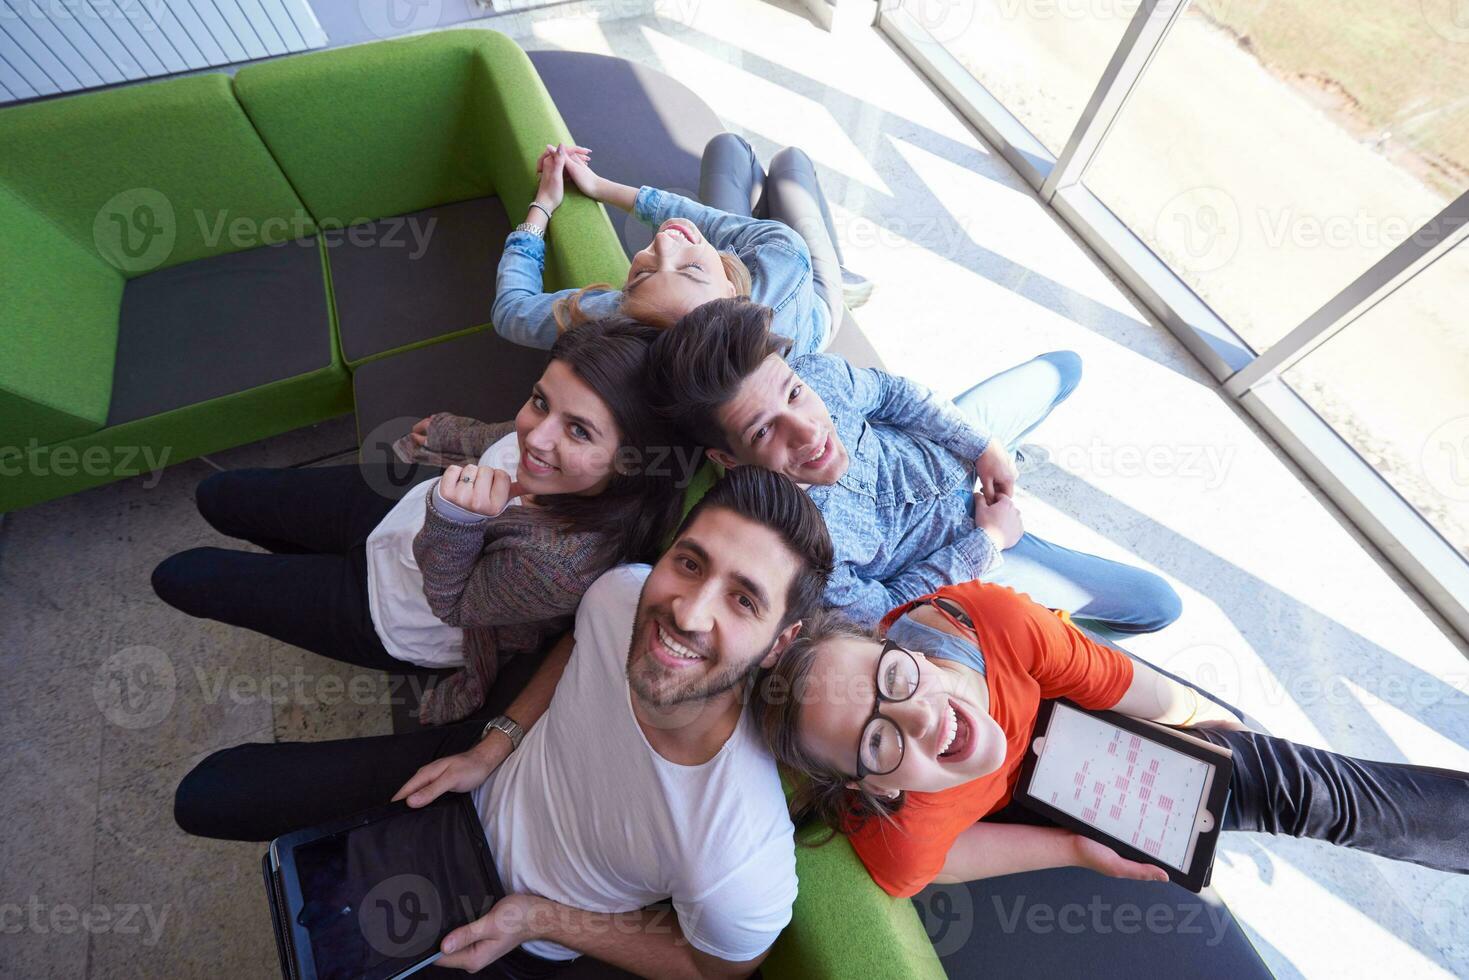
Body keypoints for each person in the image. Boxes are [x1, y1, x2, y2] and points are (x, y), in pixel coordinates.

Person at [174, 467, 835, 978]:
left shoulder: (739, 853)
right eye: (689, 563)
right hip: (462, 797)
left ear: (779, 643)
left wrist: (542, 920)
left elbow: (718, 966)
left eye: (743, 600)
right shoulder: (619, 596)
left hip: (523, 932)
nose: (689, 612)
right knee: (211, 799)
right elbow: (579, 643)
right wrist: (497, 742)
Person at [753, 579, 1469, 898]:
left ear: (894, 647)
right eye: (878, 741)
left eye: (897, 682)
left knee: (1287, 785)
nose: (920, 718)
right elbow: (943, 860)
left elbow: (1141, 691)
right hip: (1040, 788)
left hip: (1059, 688)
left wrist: (1207, 722)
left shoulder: (997, 623)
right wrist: (1067, 849)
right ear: (872, 785)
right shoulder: (898, 833)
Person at [152, 318, 688, 723]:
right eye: (541, 402)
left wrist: (457, 521)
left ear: (629, 461)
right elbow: (505, 435)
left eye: (580, 432)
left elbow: (451, 603)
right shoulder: (543, 443)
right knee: (220, 493)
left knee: (186, 577)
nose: (539, 437)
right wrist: (451, 434)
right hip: (395, 511)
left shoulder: (559, 565)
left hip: (390, 609)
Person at [645, 298, 1182, 632]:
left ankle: (1009, 453)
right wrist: (987, 542)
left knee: (1065, 367)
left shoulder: (816, 374)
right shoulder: (792, 550)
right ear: (727, 459)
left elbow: (895, 396)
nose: (809, 432)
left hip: (949, 454)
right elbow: (887, 613)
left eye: (795, 395)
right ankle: (1060, 621)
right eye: (764, 431)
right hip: (963, 544)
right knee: (1158, 605)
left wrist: (980, 444)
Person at [492, 134, 865, 358]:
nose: (662, 242)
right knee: (790, 162)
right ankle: (840, 274)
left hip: (741, 254)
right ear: (732, 291)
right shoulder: (786, 260)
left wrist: (556, 199)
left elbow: (511, 312)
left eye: (642, 272)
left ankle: (749, 225)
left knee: (728, 146)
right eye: (691, 269)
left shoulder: (630, 312)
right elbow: (707, 224)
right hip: (812, 301)